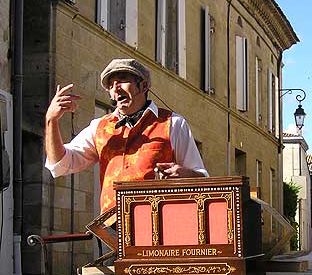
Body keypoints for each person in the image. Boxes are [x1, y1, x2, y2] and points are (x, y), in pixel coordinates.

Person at [45, 58, 208, 213]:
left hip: (159, 227)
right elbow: (60, 164)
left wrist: (185, 175)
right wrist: (51, 121)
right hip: (112, 230)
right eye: (110, 85)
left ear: (143, 86)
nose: (115, 88)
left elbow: (202, 180)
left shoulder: (173, 123)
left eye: (122, 80)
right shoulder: (99, 127)